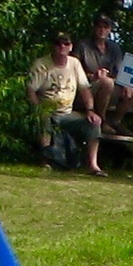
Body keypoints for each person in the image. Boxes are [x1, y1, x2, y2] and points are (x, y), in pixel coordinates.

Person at [26, 32, 103, 174]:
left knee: (94, 123)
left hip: (67, 114)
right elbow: (31, 90)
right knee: (45, 121)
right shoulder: (41, 65)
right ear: (53, 46)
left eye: (66, 43)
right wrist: (38, 110)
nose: (62, 46)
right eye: (58, 43)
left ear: (71, 46)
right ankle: (46, 161)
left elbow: (84, 88)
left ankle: (93, 165)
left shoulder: (74, 63)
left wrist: (90, 110)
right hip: (47, 111)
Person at [76, 15, 132, 132]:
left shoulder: (114, 48)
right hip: (86, 89)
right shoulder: (83, 46)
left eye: (105, 27)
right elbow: (73, 72)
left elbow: (120, 71)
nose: (102, 30)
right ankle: (101, 121)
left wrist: (125, 84)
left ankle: (115, 121)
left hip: (109, 89)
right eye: (99, 27)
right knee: (107, 82)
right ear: (94, 28)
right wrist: (93, 76)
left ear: (109, 30)